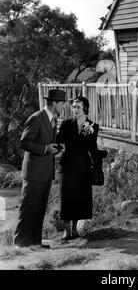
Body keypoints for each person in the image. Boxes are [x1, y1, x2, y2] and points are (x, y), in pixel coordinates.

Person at [14, 89, 66, 249]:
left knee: (40, 208)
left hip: (46, 172)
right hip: (33, 172)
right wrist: (45, 149)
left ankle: (35, 242)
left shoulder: (53, 119)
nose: (63, 106)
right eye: (62, 103)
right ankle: (20, 244)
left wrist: (56, 148)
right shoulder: (36, 118)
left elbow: (48, 142)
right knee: (28, 208)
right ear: (55, 103)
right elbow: (24, 142)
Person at [56, 96, 99, 241]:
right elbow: (59, 140)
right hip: (67, 165)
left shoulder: (91, 126)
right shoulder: (66, 124)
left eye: (78, 107)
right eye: (73, 107)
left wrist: (97, 164)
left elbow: (92, 147)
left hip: (83, 166)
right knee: (66, 197)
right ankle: (67, 231)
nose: (75, 109)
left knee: (80, 198)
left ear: (85, 108)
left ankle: (75, 230)